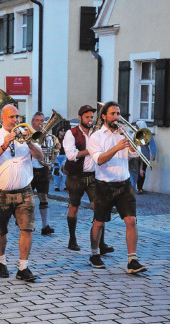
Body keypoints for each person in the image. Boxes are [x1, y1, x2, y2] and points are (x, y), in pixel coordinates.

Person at [0, 104, 44, 281]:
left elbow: (40, 157)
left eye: (17, 117)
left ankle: (23, 267)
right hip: (0, 191)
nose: (16, 120)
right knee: (1, 230)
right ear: (3, 118)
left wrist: (30, 141)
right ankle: (1, 263)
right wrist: (4, 145)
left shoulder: (25, 136)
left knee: (27, 229)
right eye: (11, 117)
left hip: (24, 190)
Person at [87, 101, 147, 274]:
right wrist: (116, 147)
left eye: (118, 113)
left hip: (124, 182)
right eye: (112, 114)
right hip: (104, 184)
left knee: (131, 221)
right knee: (99, 221)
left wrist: (135, 142)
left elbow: (134, 154)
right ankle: (94, 253)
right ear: (104, 116)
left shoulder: (124, 133)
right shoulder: (96, 137)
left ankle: (132, 260)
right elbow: (99, 159)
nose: (116, 117)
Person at [63, 105, 114, 254]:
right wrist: (91, 151)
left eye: (92, 117)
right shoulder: (70, 133)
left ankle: (101, 243)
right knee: (74, 206)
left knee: (99, 209)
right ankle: (72, 239)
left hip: (93, 176)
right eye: (87, 117)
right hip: (75, 176)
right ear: (80, 118)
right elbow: (71, 155)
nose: (91, 120)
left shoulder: (97, 133)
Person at [30, 112, 55, 236]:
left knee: (43, 197)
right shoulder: (28, 135)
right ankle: (29, 224)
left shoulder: (48, 137)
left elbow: (51, 154)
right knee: (28, 199)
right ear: (32, 122)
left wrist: (57, 148)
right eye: (37, 120)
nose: (40, 123)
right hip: (30, 169)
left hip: (43, 169)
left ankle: (45, 226)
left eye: (42, 121)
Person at [135, 120, 157, 194]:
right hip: (135, 155)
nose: (136, 127)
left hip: (144, 156)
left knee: (142, 172)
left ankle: (139, 188)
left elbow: (152, 145)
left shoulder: (148, 135)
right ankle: (136, 187)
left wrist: (153, 154)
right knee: (136, 171)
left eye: (137, 126)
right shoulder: (135, 133)